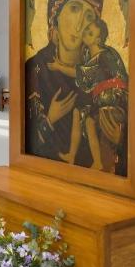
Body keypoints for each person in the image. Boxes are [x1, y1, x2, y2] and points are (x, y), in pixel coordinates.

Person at [48, 18, 128, 172]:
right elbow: (82, 73)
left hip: (110, 98)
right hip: (98, 97)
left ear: (98, 39)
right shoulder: (88, 55)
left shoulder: (103, 56)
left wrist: (58, 67)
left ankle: (98, 162)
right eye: (86, 30)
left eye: (90, 33)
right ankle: (72, 155)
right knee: (78, 113)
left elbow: (79, 73)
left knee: (90, 122)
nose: (85, 33)